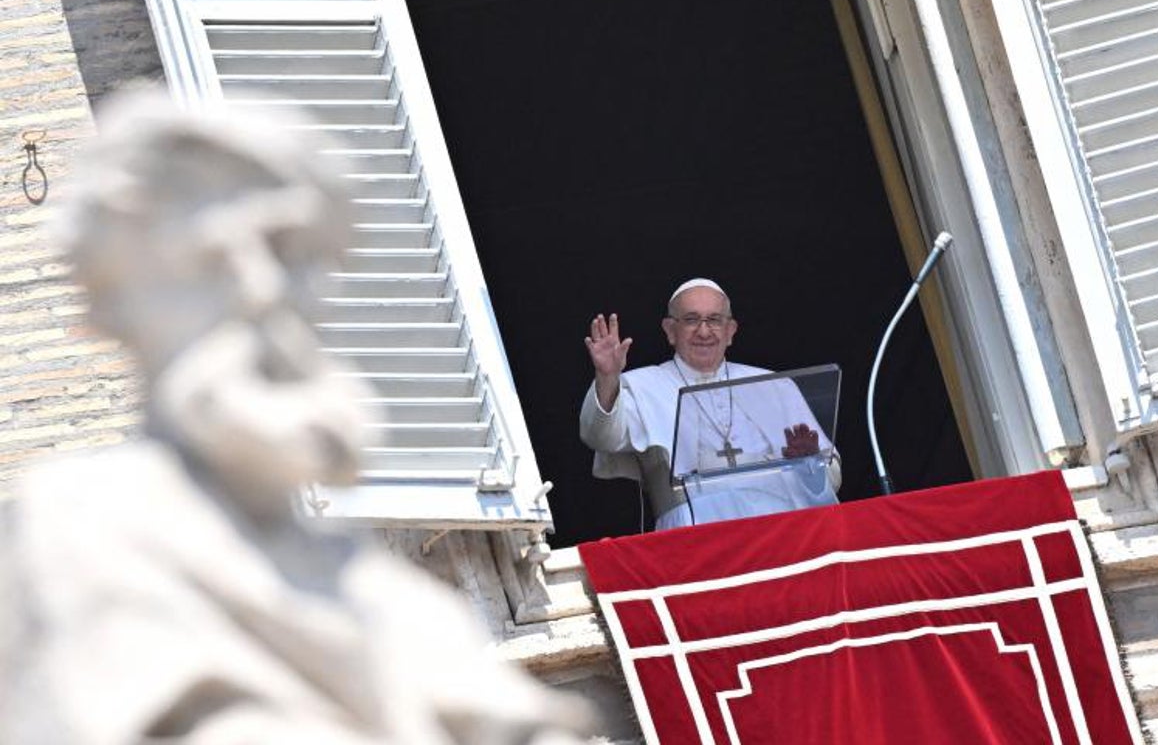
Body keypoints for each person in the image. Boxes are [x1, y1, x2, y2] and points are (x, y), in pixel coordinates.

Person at [0, 91, 592, 745]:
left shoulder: (400, 604)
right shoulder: (80, 535)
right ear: (112, 307)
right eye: (205, 260)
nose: (262, 291)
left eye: (288, 251)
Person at [580, 278, 842, 531]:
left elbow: (832, 479)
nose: (704, 332)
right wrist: (607, 377)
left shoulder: (775, 385)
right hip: (692, 536)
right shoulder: (641, 386)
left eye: (714, 320)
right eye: (691, 320)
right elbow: (601, 437)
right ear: (670, 331)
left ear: (730, 331)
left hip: (778, 531)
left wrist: (811, 461)